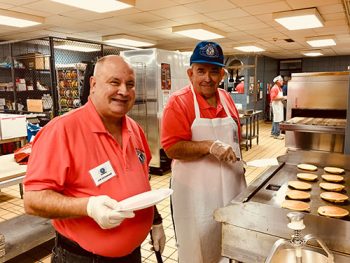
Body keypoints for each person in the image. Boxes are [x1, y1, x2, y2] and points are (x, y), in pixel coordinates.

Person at [23, 55, 166, 263]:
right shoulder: (62, 130)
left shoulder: (134, 129)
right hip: (82, 258)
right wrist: (88, 207)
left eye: (130, 84)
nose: (124, 91)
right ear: (93, 84)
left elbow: (141, 185)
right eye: (114, 82)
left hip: (132, 255)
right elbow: (33, 200)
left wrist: (155, 221)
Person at [161, 41, 247, 263]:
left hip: (231, 189)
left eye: (214, 71)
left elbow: (236, 137)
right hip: (195, 195)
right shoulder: (179, 103)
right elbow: (172, 148)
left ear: (222, 75)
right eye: (201, 71)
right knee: (197, 248)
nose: (207, 78)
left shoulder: (227, 99)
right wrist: (209, 146)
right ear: (190, 73)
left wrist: (240, 163)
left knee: (230, 245)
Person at [270, 75, 287, 139]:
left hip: (279, 105)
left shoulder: (279, 88)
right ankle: (276, 134)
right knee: (277, 119)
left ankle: (273, 132)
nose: (282, 82)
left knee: (276, 119)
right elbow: (273, 98)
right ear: (278, 82)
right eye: (281, 81)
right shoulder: (274, 88)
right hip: (275, 106)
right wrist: (283, 97)